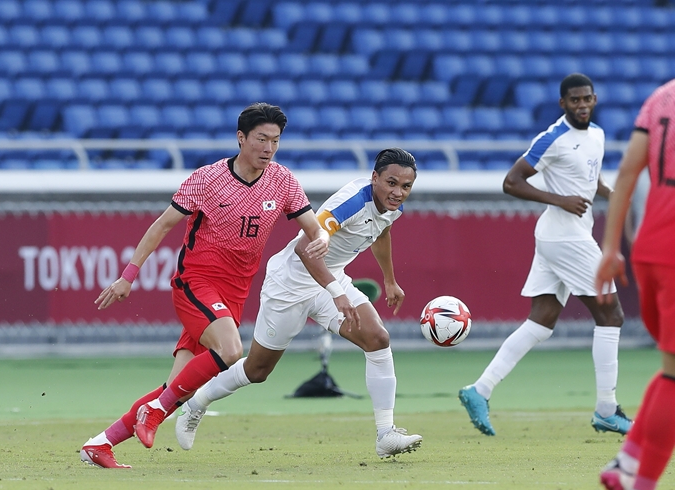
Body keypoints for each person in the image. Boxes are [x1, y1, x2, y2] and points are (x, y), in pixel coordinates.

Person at [80, 103, 331, 468]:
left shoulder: (283, 180)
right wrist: (128, 276)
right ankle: (152, 411)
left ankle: (100, 444)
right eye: (262, 139)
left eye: (275, 141)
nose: (269, 148)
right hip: (196, 284)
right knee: (230, 352)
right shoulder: (207, 180)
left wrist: (320, 238)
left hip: (234, 294)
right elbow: (162, 226)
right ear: (241, 137)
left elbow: (312, 226)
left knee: (177, 389)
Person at [174, 148, 422, 458]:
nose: (398, 192)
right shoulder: (351, 202)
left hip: (330, 280)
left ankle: (385, 434)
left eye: (406, 187)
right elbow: (306, 248)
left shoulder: (391, 206)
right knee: (257, 369)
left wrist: (389, 279)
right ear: (374, 178)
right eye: (391, 183)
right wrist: (337, 292)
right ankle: (196, 404)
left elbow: (383, 231)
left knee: (378, 338)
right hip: (290, 284)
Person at [458, 73, 630, 436]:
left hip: (562, 236)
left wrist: (611, 196)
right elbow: (511, 181)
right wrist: (559, 200)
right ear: (562, 104)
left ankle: (479, 389)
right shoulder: (552, 139)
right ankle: (606, 409)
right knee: (611, 314)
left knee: (542, 320)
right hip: (564, 236)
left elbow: (590, 180)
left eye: (587, 99)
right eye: (574, 100)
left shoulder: (597, 135)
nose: (581, 105)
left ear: (594, 100)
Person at [595, 79, 675, 490]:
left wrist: (610, 247)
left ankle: (627, 466)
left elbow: (627, 172)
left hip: (649, 249)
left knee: (671, 373)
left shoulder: (661, 96)